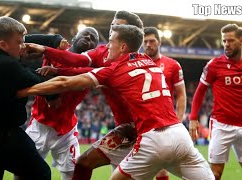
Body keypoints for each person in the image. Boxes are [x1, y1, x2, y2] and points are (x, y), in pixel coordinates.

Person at [19, 24, 214, 180]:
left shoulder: (115, 69)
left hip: (149, 138)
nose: (106, 47)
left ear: (122, 46)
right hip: (179, 135)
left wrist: (25, 91)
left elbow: (65, 82)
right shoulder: (151, 63)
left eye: (110, 42)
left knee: (93, 168)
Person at [36, 10, 143, 180]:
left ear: (130, 37)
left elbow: (92, 72)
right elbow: (76, 60)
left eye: (118, 26)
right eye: (112, 24)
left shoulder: (131, 63)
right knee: (84, 163)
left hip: (143, 131)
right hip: (124, 130)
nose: (113, 28)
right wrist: (46, 48)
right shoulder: (103, 53)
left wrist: (54, 69)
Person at [0, 16, 64, 180]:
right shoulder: (3, 64)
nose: (24, 47)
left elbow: (23, 39)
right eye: (19, 43)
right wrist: (53, 96)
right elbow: (39, 82)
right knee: (40, 173)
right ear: (3, 45)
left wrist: (54, 40)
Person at [14, 27, 99, 180]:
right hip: (39, 125)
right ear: (72, 39)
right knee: (22, 171)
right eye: (85, 34)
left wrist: (55, 72)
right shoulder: (55, 49)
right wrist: (54, 39)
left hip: (65, 131)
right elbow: (24, 39)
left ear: (94, 50)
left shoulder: (91, 69)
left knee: (73, 175)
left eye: (93, 39)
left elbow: (68, 81)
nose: (89, 38)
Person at [189, 24, 242, 180]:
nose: (226, 44)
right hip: (221, 126)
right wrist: (193, 118)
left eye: (231, 40)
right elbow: (199, 91)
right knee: (215, 175)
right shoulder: (214, 65)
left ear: (241, 41)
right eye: (224, 41)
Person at [142, 27, 187, 179]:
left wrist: (178, 122)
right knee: (141, 168)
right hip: (142, 122)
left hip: (164, 123)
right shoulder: (136, 64)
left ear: (159, 42)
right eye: (145, 41)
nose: (148, 44)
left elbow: (181, 95)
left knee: (160, 166)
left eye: (152, 41)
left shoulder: (173, 65)